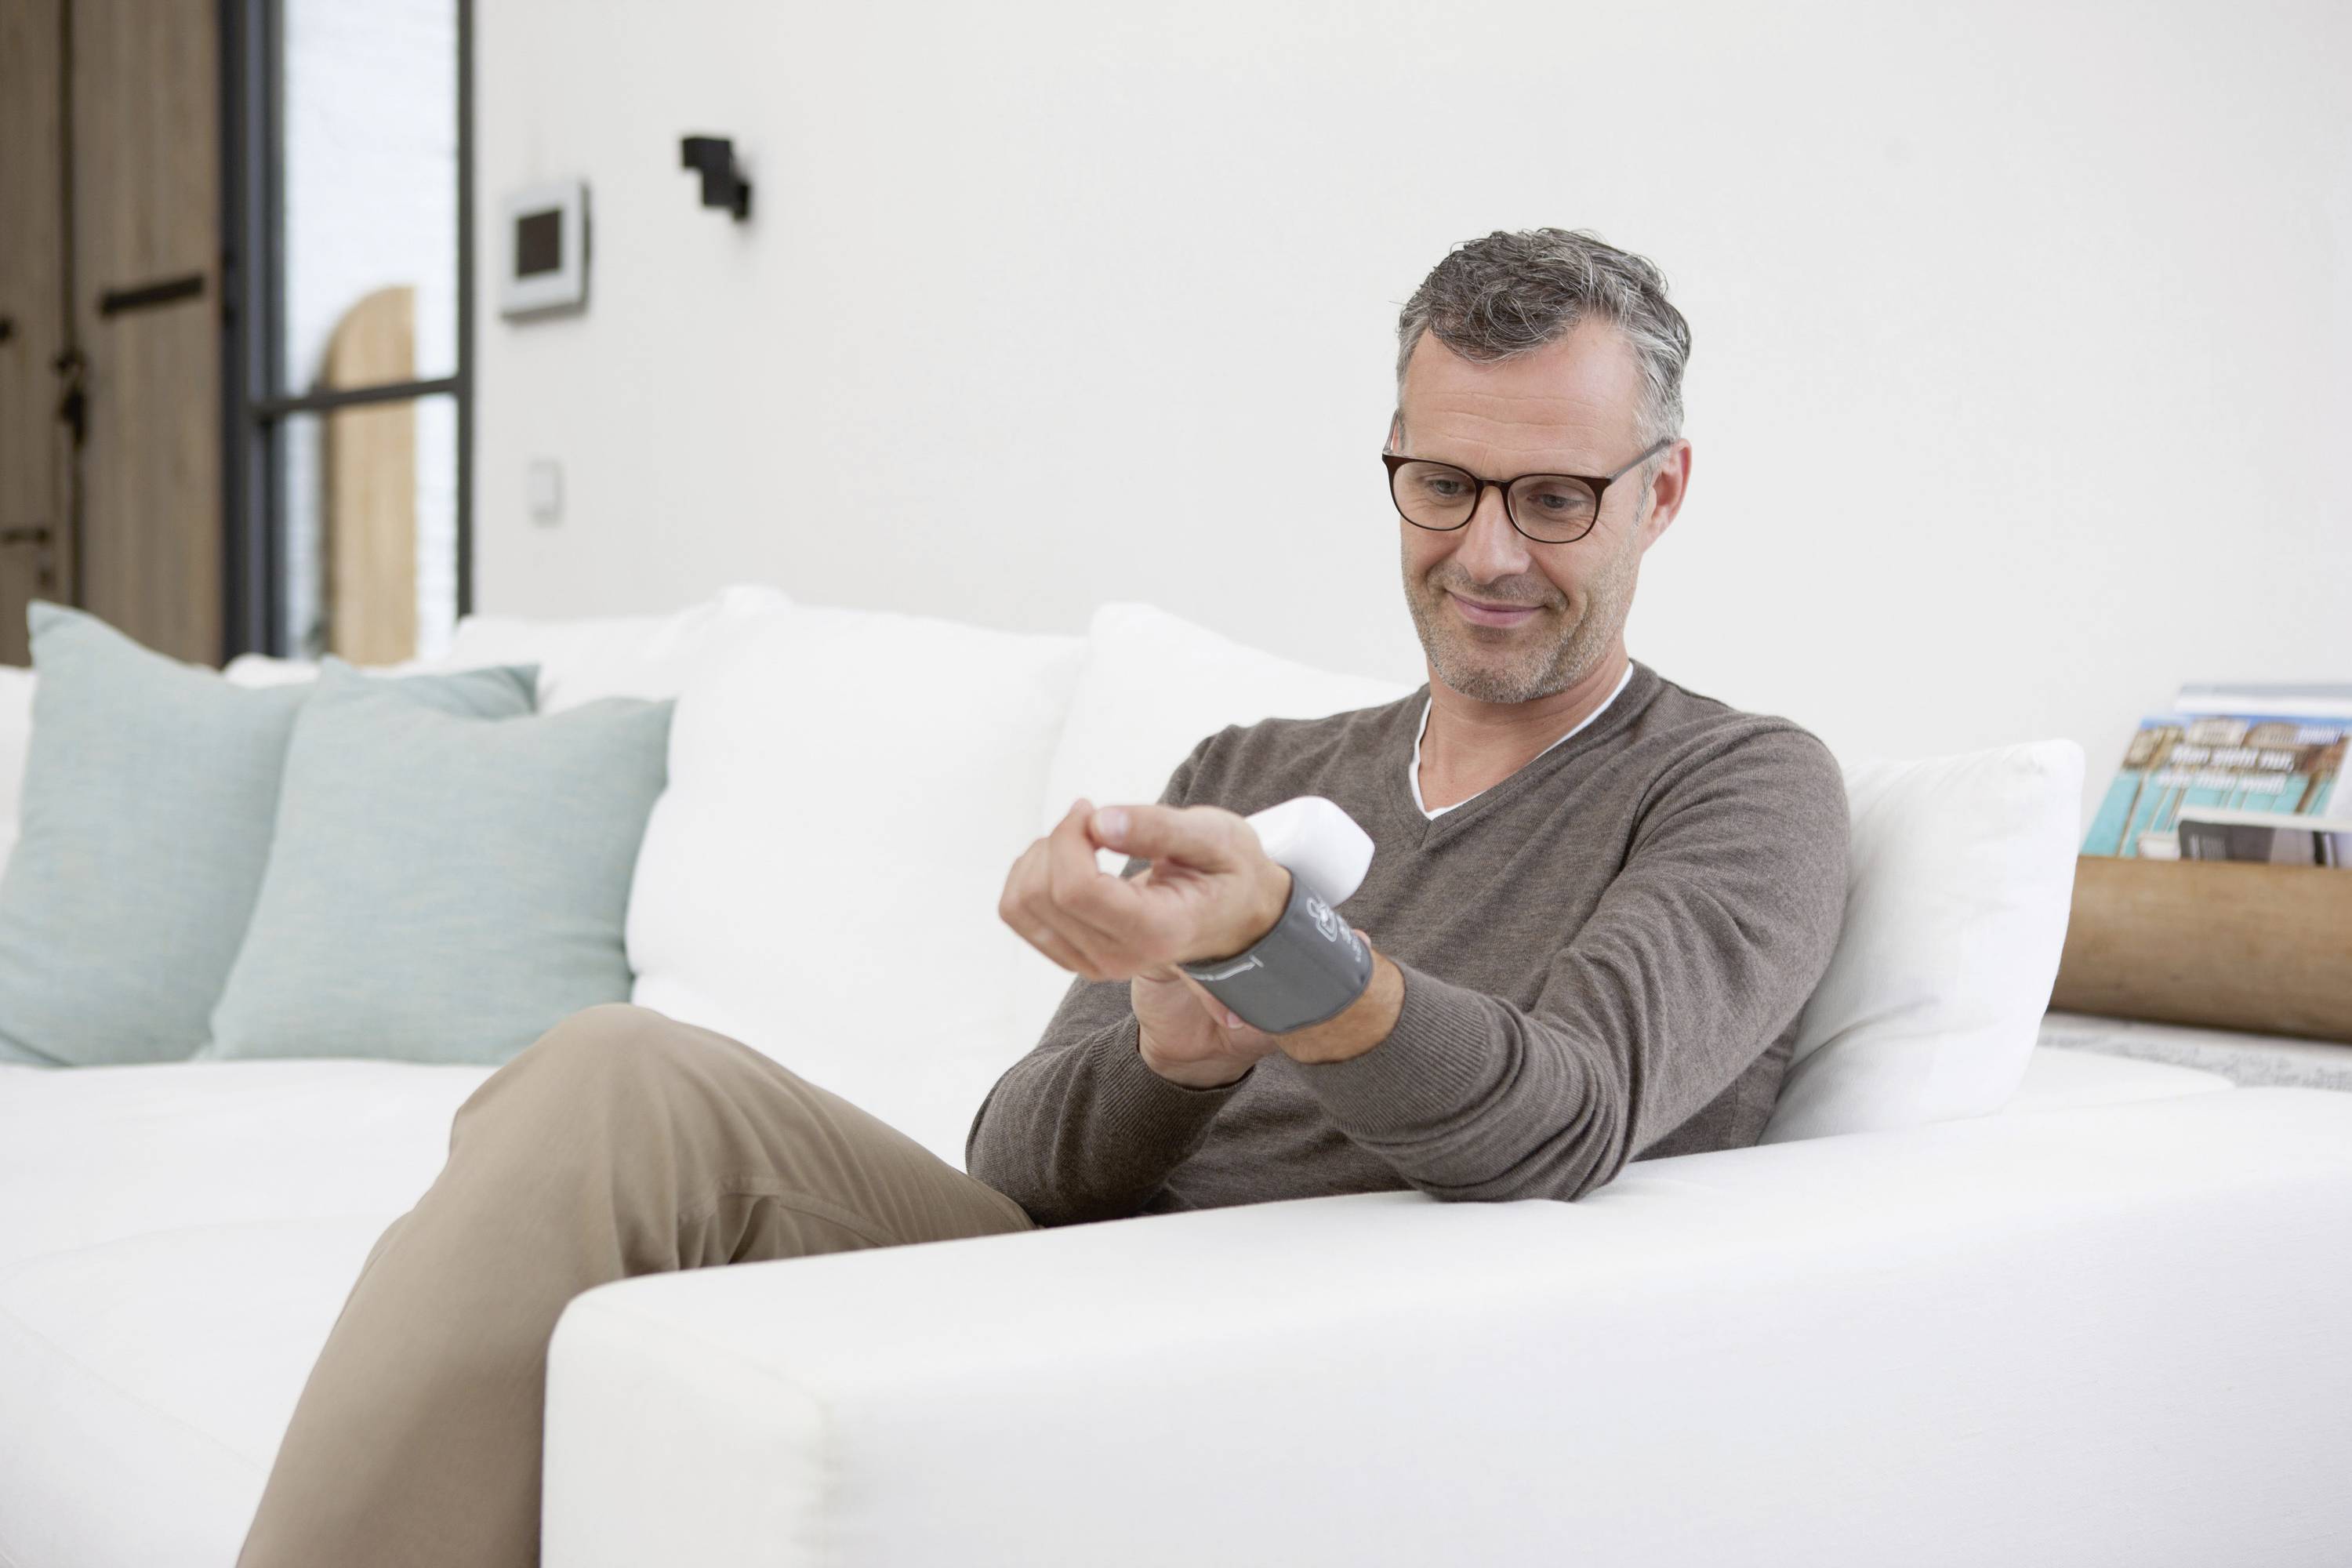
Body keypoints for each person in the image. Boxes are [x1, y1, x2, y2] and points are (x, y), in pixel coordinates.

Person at [236, 227, 1849, 1568]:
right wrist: (1173, 1057)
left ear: (1666, 489)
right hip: (1066, 1296)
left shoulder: (1739, 785)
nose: (1488, 551)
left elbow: (1566, 1117)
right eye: (1442, 485)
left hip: (1318, 1364)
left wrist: (1284, 956)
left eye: (1554, 498)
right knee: (612, 1082)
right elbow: (1017, 1171)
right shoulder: (1265, 758)